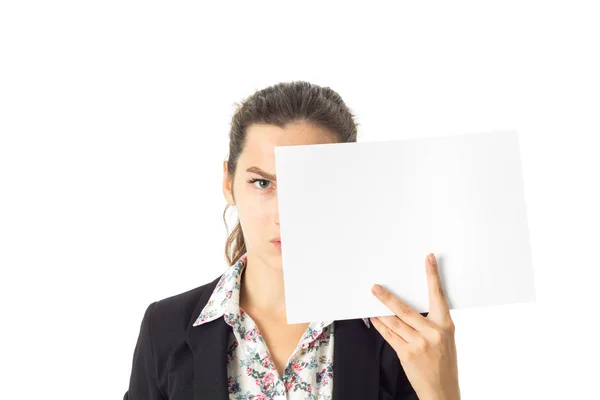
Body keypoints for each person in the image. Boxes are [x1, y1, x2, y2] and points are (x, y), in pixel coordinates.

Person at [124, 81, 460, 399]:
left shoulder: (405, 333)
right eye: (262, 183)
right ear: (228, 183)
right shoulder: (165, 328)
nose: (284, 215)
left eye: (311, 185)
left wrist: (440, 390)